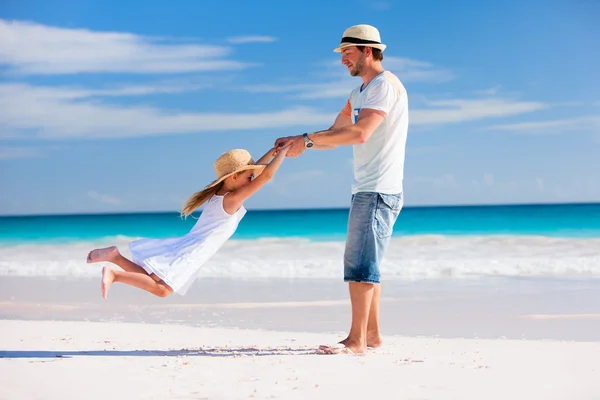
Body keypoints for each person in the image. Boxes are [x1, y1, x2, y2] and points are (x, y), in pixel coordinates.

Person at [274, 24, 409, 355]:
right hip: (368, 188)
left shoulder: (383, 86)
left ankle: (356, 341)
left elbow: (360, 133)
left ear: (367, 50)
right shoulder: (359, 92)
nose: (342, 60)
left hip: (378, 188)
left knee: (361, 265)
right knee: (368, 263)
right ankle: (372, 335)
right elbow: (337, 131)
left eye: (347, 53)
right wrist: (300, 141)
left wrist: (306, 141)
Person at [86, 146, 289, 299]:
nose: (252, 180)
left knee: (155, 279)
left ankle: (115, 257)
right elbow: (267, 175)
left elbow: (258, 172)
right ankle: (114, 273)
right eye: (249, 177)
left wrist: (273, 152)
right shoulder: (232, 199)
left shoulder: (219, 195)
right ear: (234, 177)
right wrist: (285, 150)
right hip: (195, 250)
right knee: (163, 289)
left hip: (191, 244)